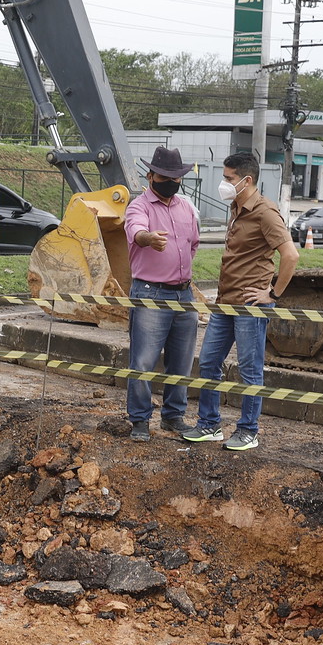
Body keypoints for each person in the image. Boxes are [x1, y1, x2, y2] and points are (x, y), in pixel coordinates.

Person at [183, 151, 298, 451]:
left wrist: (272, 294)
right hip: (225, 302)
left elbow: (291, 255)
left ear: (247, 180)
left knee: (249, 369)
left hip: (251, 305)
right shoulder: (236, 207)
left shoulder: (265, 212)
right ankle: (209, 424)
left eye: (228, 178)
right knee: (208, 362)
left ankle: (248, 430)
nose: (223, 183)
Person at [121, 144, 202, 442]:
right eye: (165, 176)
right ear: (151, 175)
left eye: (176, 177)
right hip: (150, 293)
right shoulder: (138, 207)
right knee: (143, 361)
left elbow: (193, 243)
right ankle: (140, 420)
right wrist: (148, 239)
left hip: (184, 294)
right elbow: (137, 232)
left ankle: (173, 416)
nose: (171, 182)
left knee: (181, 360)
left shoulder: (185, 207)